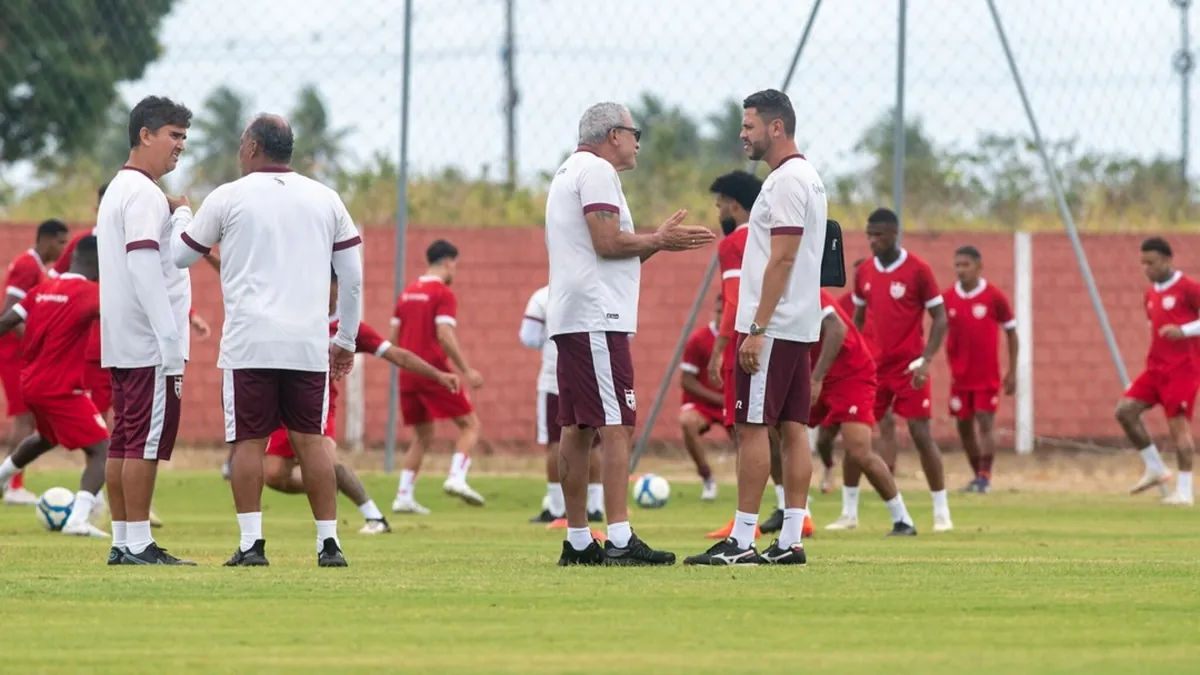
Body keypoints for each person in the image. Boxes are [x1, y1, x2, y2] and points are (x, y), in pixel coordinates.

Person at [173, 113, 363, 567]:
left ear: (254, 147)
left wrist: (181, 210)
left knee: (248, 444)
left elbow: (181, 255)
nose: (240, 151)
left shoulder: (227, 197)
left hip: (249, 343)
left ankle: (252, 544)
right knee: (311, 442)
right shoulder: (326, 198)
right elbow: (353, 278)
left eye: (241, 143)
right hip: (307, 343)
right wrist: (347, 339)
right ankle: (329, 544)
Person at [547, 101, 714, 566]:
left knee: (577, 426)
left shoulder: (568, 171)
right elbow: (607, 243)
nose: (638, 141)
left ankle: (579, 540)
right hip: (597, 317)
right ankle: (619, 537)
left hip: (577, 315)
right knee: (617, 423)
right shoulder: (597, 172)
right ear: (613, 134)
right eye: (633, 131)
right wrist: (660, 240)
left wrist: (654, 242)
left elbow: (611, 252)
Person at [685, 89, 824, 566]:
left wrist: (757, 326)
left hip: (775, 326)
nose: (742, 134)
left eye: (748, 126)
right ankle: (789, 541)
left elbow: (782, 257)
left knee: (751, 428)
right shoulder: (808, 177)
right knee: (792, 429)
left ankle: (741, 540)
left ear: (776, 128)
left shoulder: (786, 181)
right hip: (798, 324)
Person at [263, 270, 459, 534]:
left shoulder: (348, 327)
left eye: (331, 292)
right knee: (275, 476)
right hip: (283, 403)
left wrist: (438, 375)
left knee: (327, 461)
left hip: (318, 402)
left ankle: (374, 517)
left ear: (338, 289)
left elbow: (397, 355)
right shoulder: (295, 317)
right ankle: (328, 483)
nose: (326, 298)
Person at [96, 95, 194, 565]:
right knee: (145, 442)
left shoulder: (121, 187)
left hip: (123, 337)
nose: (181, 147)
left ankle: (122, 540)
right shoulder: (142, 194)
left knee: (125, 439)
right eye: (174, 136)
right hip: (150, 340)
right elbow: (143, 264)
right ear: (145, 135)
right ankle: (138, 542)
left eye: (184, 138)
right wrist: (169, 336)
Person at [841, 207, 954, 533]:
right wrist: (853, 358)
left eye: (878, 235)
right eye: (869, 235)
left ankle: (940, 511)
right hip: (873, 369)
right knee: (855, 434)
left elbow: (940, 318)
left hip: (909, 368)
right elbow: (858, 320)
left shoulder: (918, 269)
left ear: (894, 234)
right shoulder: (864, 273)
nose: (872, 241)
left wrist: (927, 359)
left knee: (921, 434)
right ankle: (849, 513)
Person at [0, 236, 110, 539]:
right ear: (99, 265)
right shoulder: (90, 293)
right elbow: (122, 315)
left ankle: (2, 477)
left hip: (31, 383)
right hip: (62, 389)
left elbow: (7, 320)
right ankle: (77, 519)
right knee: (103, 451)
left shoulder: (44, 287)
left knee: (45, 438)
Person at [703, 170, 792, 539]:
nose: (718, 211)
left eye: (721, 204)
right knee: (782, 429)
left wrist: (721, 348)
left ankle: (747, 523)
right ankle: (791, 512)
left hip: (747, 340)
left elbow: (735, 299)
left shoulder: (734, 244)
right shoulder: (772, 236)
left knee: (748, 432)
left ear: (736, 206)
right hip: (783, 333)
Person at [808, 290, 916, 535]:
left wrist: (816, 378)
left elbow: (837, 330)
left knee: (858, 449)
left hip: (850, 376)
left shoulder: (811, 290)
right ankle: (794, 512)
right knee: (783, 432)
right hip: (818, 374)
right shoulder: (772, 293)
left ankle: (903, 520)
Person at [390, 240, 485, 514]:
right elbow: (444, 333)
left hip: (407, 373)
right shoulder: (442, 293)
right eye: (455, 264)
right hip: (433, 371)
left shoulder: (407, 292)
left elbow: (393, 338)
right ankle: (457, 477)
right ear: (447, 262)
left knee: (422, 435)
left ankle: (403, 495)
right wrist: (466, 370)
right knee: (470, 425)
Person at [1116, 237, 1200, 506]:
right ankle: (1155, 468)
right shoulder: (1150, 294)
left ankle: (1185, 492)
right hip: (1155, 369)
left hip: (1182, 370)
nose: (1146, 268)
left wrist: (1184, 331)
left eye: (1151, 263)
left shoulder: (1188, 287)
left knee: (1178, 428)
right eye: (1143, 263)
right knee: (1125, 411)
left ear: (1167, 260)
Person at [520, 284, 605, 524]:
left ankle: (556, 508)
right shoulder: (598, 290)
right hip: (593, 378)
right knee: (594, 443)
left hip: (554, 379)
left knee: (555, 442)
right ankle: (595, 506)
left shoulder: (542, 296)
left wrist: (551, 342)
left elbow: (528, 336)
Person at [0, 219, 69, 505]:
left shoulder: (38, 268)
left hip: (20, 353)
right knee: (24, 418)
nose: (63, 248)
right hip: (14, 353)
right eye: (61, 242)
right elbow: (8, 312)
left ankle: (10, 482)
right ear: (47, 239)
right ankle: (12, 485)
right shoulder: (28, 265)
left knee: (27, 417)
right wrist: (38, 346)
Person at [942, 246, 1018, 493]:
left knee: (985, 421)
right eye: (958, 265)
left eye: (966, 265)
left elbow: (1011, 332)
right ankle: (977, 475)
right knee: (963, 425)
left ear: (978, 266)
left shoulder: (993, 296)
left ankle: (985, 476)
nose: (961, 270)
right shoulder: (948, 298)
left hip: (986, 375)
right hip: (959, 375)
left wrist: (1013, 371)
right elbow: (938, 331)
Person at [679, 293, 724, 500]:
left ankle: (751, 487)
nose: (722, 316)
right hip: (703, 404)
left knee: (751, 434)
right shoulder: (699, 339)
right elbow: (687, 381)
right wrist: (718, 399)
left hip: (732, 403)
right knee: (687, 422)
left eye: (727, 312)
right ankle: (707, 478)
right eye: (719, 311)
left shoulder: (742, 338)